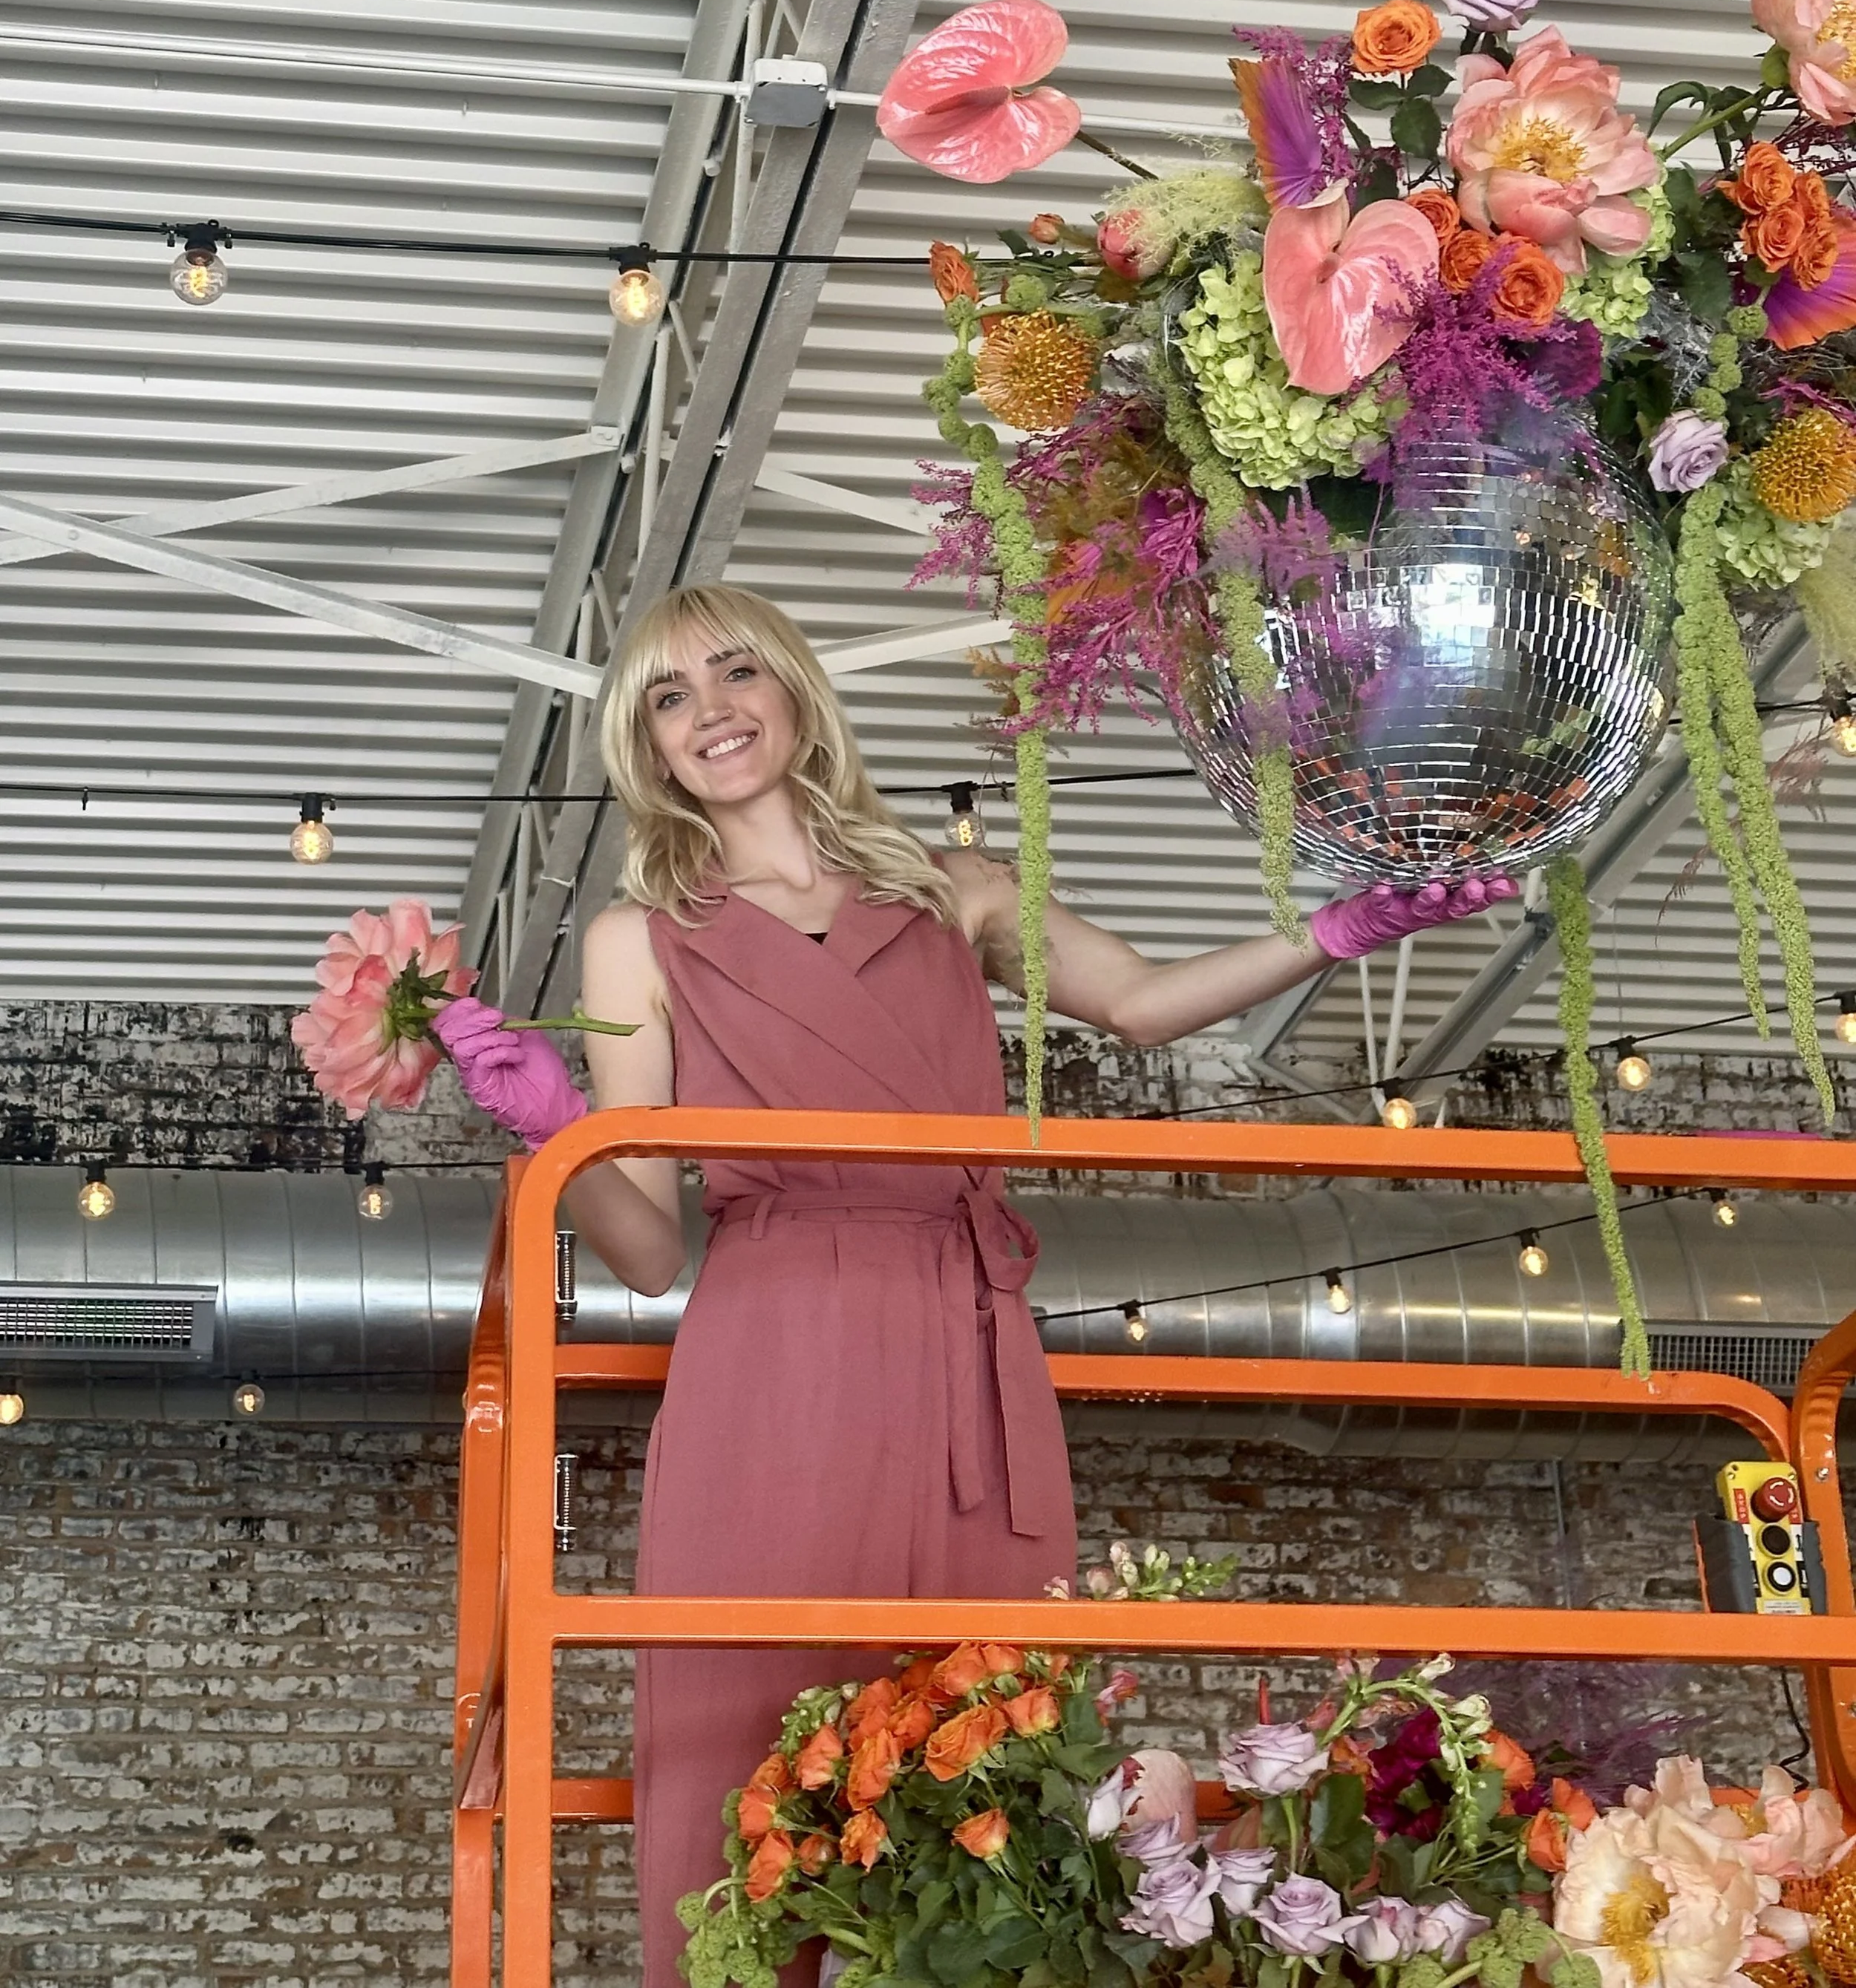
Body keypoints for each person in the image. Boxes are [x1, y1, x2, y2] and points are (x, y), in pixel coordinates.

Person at [435, 582, 1511, 1984]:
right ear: (644, 745)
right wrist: (555, 1128)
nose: (711, 712)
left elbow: (1142, 1002)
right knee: (741, 1712)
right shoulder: (639, 939)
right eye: (668, 695)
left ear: (796, 689)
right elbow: (646, 1255)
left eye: (737, 672)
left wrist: (1341, 930)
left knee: (992, 1717)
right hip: (775, 1345)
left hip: (965, 1336)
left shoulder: (953, 892)